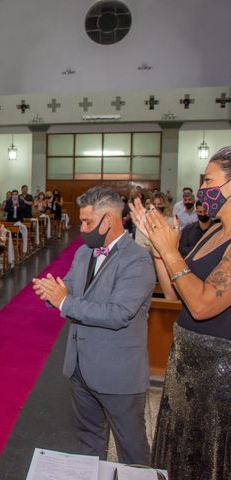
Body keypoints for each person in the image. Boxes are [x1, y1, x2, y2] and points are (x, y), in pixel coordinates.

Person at [33, 186, 155, 465]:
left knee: (132, 449)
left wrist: (64, 302)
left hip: (118, 372)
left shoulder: (136, 259)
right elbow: (72, 289)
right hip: (80, 367)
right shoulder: (84, 253)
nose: (82, 227)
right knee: (89, 442)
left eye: (87, 222)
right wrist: (52, 294)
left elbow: (118, 314)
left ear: (109, 220)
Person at [129, 147, 231, 479]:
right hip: (184, 368)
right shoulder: (214, 231)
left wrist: (170, 249)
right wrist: (159, 249)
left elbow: (202, 305)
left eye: (210, 181)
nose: (203, 190)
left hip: (217, 375)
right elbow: (176, 292)